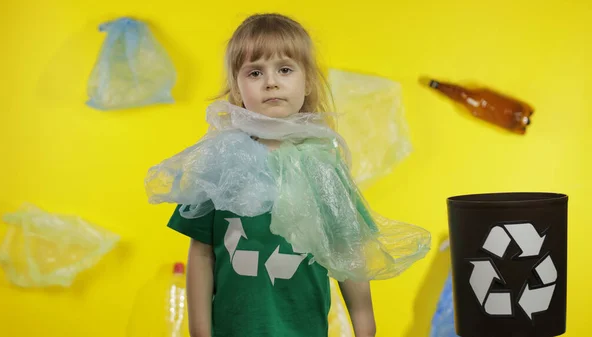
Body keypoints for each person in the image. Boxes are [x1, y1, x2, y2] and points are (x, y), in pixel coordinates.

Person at [145, 13, 431, 337]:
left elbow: (345, 250)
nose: (271, 82)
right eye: (255, 72)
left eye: (284, 69)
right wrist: (200, 330)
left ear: (307, 81)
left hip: (304, 329)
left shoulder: (322, 165)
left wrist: (365, 322)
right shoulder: (221, 162)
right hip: (233, 329)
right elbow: (201, 252)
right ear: (237, 89)